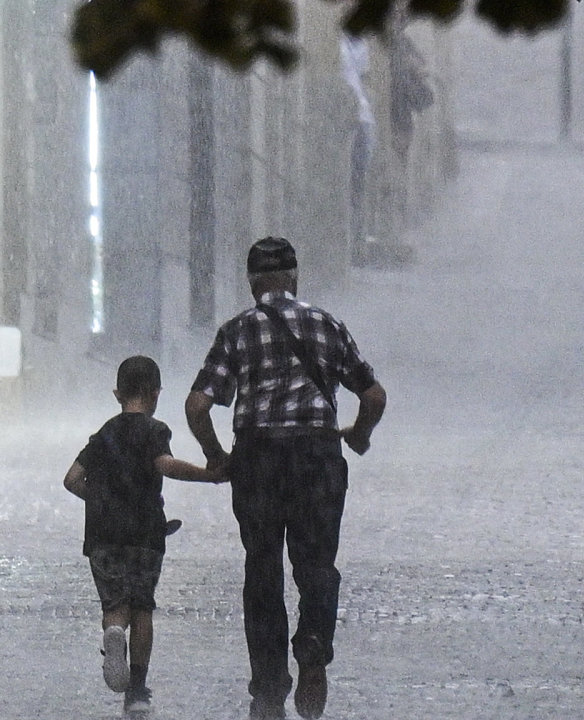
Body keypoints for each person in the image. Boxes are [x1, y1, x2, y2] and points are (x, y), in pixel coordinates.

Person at [185, 237, 387, 720]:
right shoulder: (326, 325)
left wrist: (218, 458)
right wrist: (357, 435)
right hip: (316, 455)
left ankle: (269, 687)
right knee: (316, 564)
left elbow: (197, 405)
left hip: (257, 458)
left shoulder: (236, 331)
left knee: (262, 570)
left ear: (253, 284)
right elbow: (374, 396)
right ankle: (314, 643)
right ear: (295, 278)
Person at [62, 355, 226, 717]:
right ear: (155, 394)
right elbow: (164, 465)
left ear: (117, 394)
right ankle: (136, 692)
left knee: (115, 606)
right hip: (145, 535)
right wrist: (209, 474)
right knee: (143, 607)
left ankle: (114, 632)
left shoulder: (103, 433)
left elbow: (71, 478)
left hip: (103, 535)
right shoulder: (155, 431)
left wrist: (102, 499)